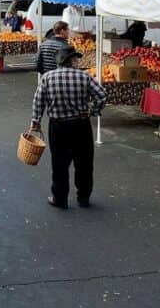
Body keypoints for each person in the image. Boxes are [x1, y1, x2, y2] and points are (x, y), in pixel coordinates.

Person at [30, 46, 107, 208]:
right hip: (81, 124)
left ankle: (60, 198)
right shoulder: (84, 77)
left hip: (58, 126)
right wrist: (93, 111)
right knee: (84, 163)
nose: (77, 61)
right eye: (75, 58)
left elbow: (38, 101)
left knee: (59, 163)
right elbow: (101, 95)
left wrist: (36, 121)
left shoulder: (47, 77)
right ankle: (83, 197)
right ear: (70, 60)